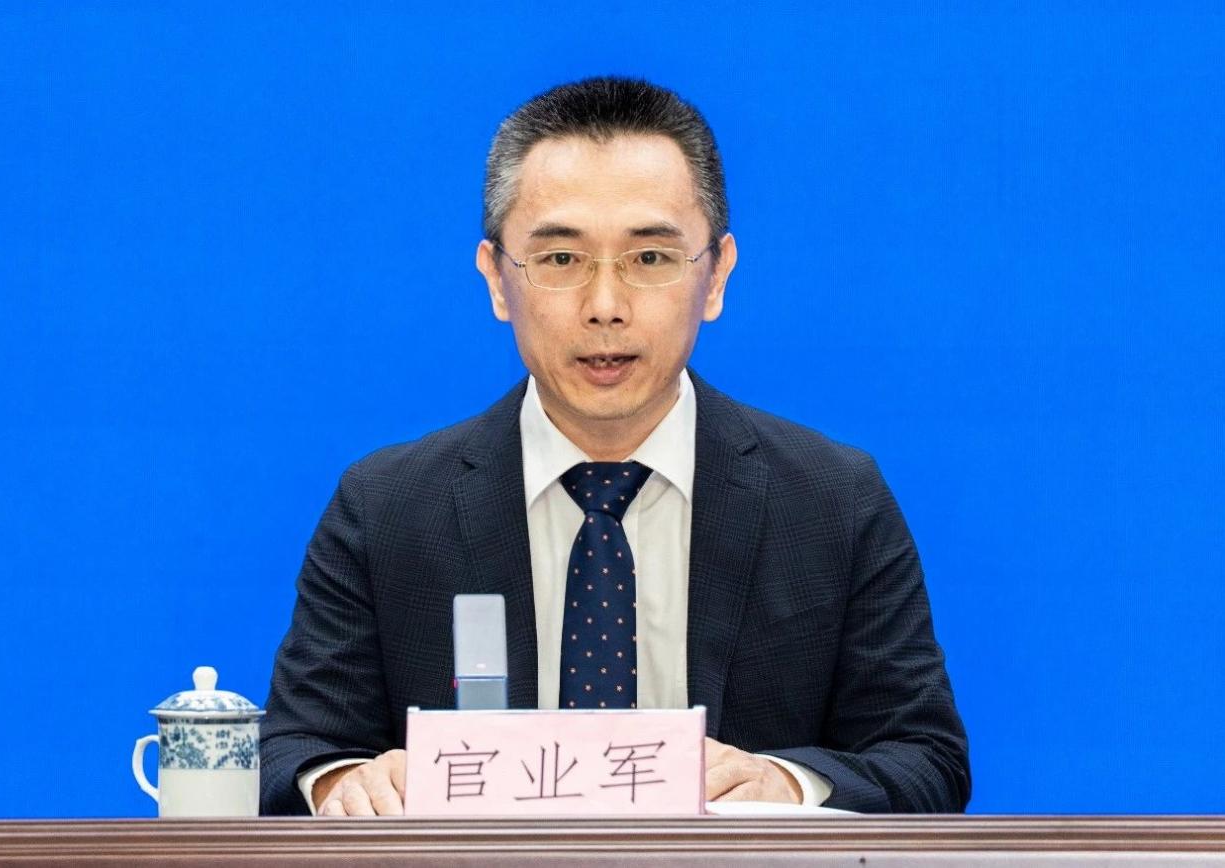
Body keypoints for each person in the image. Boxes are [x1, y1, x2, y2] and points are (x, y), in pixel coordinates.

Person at [259, 77, 970, 817]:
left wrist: (786, 786)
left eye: (650, 258)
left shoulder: (831, 499)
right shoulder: (387, 507)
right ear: (497, 280)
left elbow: (925, 761)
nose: (605, 307)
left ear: (716, 275)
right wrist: (343, 783)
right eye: (561, 260)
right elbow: (289, 751)